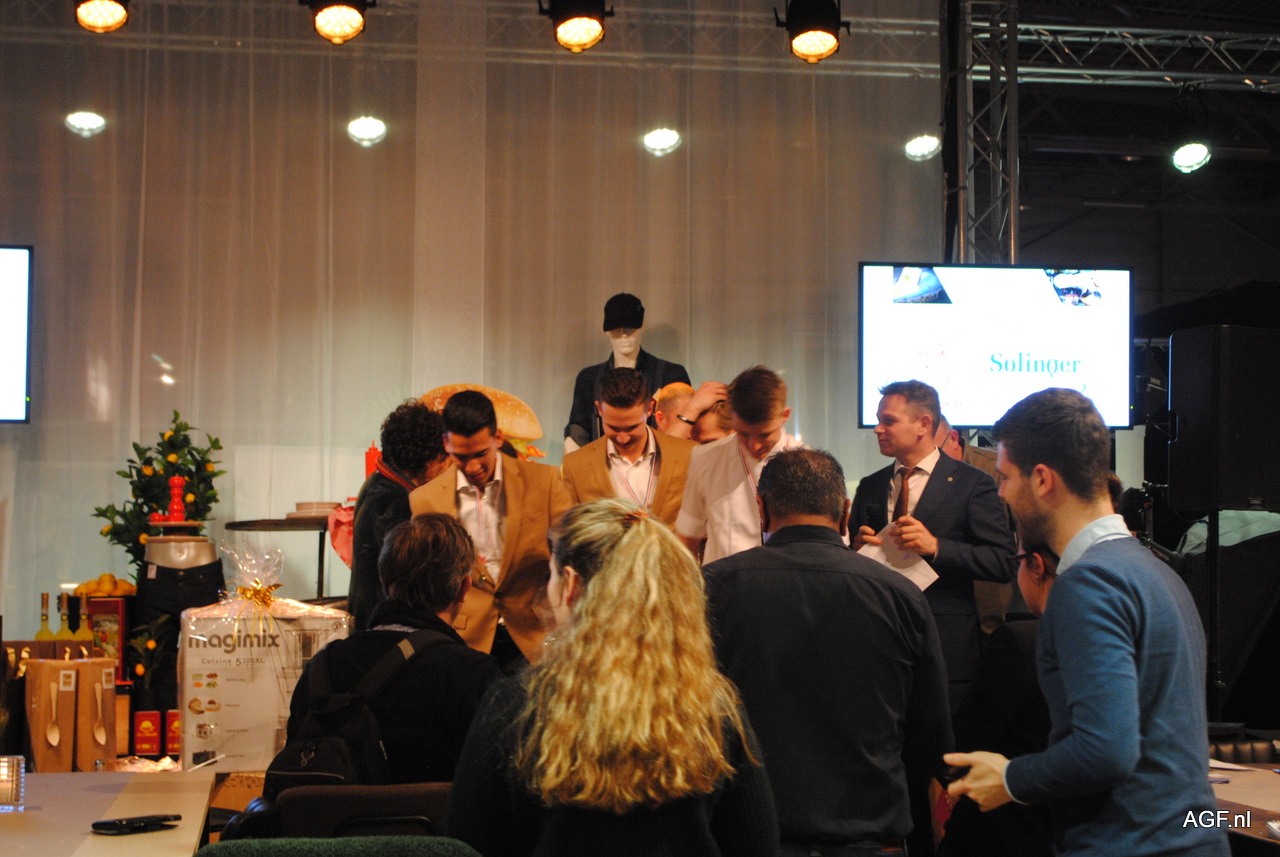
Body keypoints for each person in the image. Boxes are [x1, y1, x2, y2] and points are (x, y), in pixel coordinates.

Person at [945, 388, 1228, 857]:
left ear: (1042, 479)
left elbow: (1106, 750)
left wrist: (1011, 778)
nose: (1001, 493)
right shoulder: (1156, 571)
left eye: (1005, 477)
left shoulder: (1088, 584)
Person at [445, 499, 779, 857]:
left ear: (571, 586)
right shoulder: (712, 707)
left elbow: (466, 844)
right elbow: (757, 845)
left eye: (550, 575)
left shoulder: (515, 706)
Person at [705, 449, 951, 856]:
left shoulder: (711, 588)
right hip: (870, 833)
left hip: (746, 834)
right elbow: (930, 735)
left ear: (761, 509)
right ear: (845, 512)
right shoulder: (900, 594)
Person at [288, 514, 501, 783]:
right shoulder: (473, 674)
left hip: (325, 813)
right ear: (463, 588)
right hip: (434, 813)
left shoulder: (322, 667)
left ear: (382, 579)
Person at [852, 380, 1014, 713]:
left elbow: (1002, 561)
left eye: (888, 421)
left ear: (923, 424)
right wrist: (855, 550)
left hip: (945, 644)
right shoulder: (871, 485)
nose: (877, 429)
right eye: (878, 420)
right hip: (880, 641)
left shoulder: (972, 484)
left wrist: (937, 546)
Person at [409, 390, 572, 668]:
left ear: (498, 438)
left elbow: (572, 553)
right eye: (461, 457)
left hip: (536, 634)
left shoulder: (544, 482)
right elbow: (426, 580)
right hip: (464, 639)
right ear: (446, 443)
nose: (473, 467)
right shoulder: (425, 500)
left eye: (481, 454)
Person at [938, 543, 1054, 857]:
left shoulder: (1019, 641)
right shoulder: (1119, 635)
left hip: (1011, 826)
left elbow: (970, 735)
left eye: (1018, 560)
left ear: (1037, 566)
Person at [676, 365, 802, 562]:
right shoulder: (705, 458)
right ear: (733, 419)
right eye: (744, 434)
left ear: (785, 415)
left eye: (764, 435)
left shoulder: (808, 464)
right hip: (722, 579)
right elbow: (688, 537)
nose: (754, 445)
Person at [348, 400, 450, 630]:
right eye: (443, 459)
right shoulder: (394, 500)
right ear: (427, 461)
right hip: (385, 629)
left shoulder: (378, 482)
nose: (448, 467)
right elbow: (414, 573)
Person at [560, 368, 697, 525]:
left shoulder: (688, 454)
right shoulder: (576, 465)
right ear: (599, 409)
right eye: (613, 428)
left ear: (650, 408)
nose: (623, 439)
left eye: (632, 428)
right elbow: (571, 530)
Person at [564, 293, 690, 451]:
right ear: (606, 331)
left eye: (630, 328)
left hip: (660, 462)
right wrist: (575, 460)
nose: (624, 334)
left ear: (642, 326)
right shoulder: (588, 379)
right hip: (603, 463)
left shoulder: (670, 375)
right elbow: (578, 430)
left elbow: (686, 425)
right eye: (616, 329)